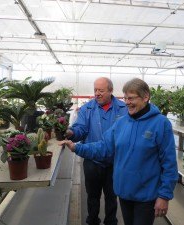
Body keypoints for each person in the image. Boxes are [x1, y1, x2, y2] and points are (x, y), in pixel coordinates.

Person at [61, 78, 178, 225]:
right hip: (124, 193)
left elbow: (169, 163)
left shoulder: (161, 123)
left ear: (146, 97)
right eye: (125, 98)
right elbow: (104, 147)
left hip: (146, 195)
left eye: (131, 98)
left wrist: (164, 195)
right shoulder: (122, 123)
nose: (127, 102)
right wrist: (77, 147)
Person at [65, 77, 127, 225]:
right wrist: (71, 133)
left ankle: (111, 221)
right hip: (92, 161)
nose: (97, 93)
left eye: (101, 90)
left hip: (114, 161)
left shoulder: (123, 109)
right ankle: (92, 220)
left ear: (110, 91)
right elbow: (81, 129)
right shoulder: (88, 109)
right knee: (92, 195)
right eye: (95, 90)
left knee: (112, 195)